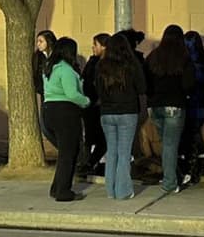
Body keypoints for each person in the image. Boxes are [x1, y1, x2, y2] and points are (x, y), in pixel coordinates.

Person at [145, 25, 195, 193]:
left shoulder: (153, 56)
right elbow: (189, 84)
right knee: (170, 145)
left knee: (166, 144)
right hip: (175, 104)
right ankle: (170, 182)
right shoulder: (184, 58)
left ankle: (173, 177)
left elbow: (146, 81)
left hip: (155, 105)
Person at [96, 33, 146, 200]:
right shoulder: (131, 64)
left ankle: (110, 189)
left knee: (112, 152)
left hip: (107, 112)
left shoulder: (101, 65)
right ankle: (123, 190)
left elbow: (98, 90)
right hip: (127, 111)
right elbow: (142, 87)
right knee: (124, 152)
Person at [42, 37, 90, 202]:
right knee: (69, 153)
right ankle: (63, 191)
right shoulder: (66, 70)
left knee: (64, 152)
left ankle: (56, 187)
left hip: (49, 110)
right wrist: (86, 101)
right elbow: (72, 94)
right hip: (65, 113)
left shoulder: (50, 68)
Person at [180, 30, 204, 184]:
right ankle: (201, 165)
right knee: (197, 132)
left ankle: (190, 167)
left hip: (186, 102)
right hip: (200, 101)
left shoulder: (183, 59)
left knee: (188, 134)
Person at [80, 33, 110, 177]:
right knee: (95, 138)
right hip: (92, 106)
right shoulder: (93, 62)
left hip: (98, 106)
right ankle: (88, 163)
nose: (93, 47)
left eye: (96, 44)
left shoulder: (104, 63)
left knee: (99, 139)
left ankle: (89, 163)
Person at [33, 30, 57, 145]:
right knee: (45, 126)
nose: (38, 44)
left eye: (41, 41)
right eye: (37, 41)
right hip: (45, 95)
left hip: (57, 95)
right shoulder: (38, 57)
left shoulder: (57, 57)